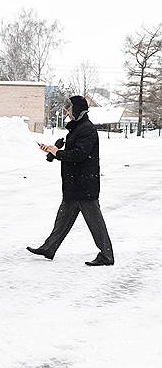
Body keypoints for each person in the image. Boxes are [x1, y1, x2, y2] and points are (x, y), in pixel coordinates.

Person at [29, 96, 114, 266]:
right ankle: (49, 248)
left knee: (95, 223)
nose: (66, 112)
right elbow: (71, 150)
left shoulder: (87, 130)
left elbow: (79, 155)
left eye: (69, 109)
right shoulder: (76, 129)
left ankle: (106, 256)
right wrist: (53, 151)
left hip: (84, 187)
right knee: (62, 220)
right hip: (74, 186)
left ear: (77, 110)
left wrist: (57, 153)